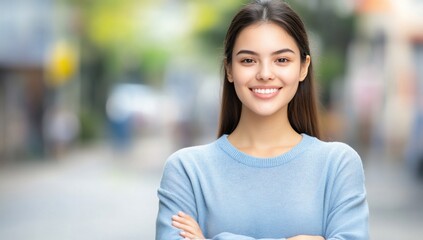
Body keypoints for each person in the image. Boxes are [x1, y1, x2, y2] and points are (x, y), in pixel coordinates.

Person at [155, 0, 369, 239]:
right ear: (229, 69)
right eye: (248, 60)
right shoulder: (186, 170)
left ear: (303, 67)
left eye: (282, 60)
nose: (265, 74)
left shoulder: (338, 165)